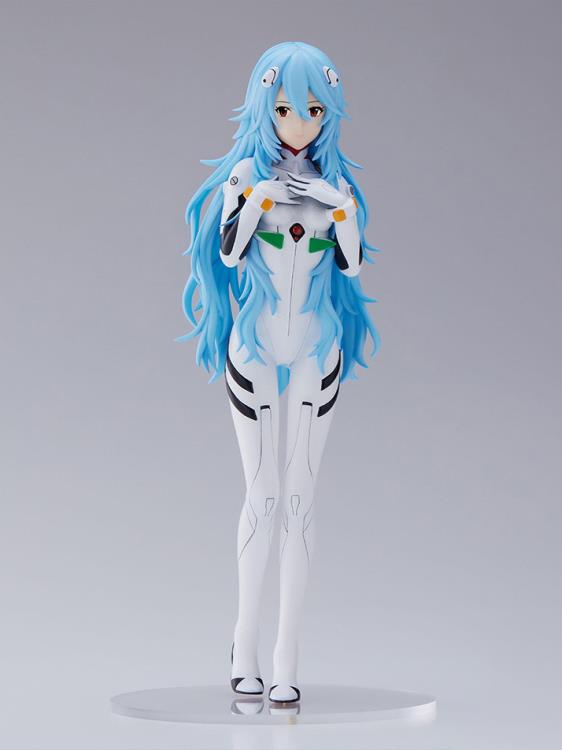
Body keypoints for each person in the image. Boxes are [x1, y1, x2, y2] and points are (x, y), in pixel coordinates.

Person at [180, 41, 380, 704]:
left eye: (314, 110)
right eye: (287, 108)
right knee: (263, 496)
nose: (300, 123)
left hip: (317, 347)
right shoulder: (246, 177)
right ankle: (244, 643)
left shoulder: (337, 187)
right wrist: (258, 198)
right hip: (257, 347)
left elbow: (352, 263)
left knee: (300, 501)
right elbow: (230, 253)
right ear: (265, 106)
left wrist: (336, 205)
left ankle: (287, 656)